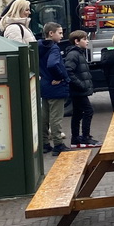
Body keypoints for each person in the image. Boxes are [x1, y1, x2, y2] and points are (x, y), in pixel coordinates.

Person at [38, 22, 70, 155]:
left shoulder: (38, 46)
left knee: (44, 116)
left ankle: (45, 143)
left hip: (44, 84)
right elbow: (53, 64)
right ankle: (58, 144)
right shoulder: (54, 48)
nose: (62, 36)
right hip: (55, 86)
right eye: (60, 33)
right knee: (55, 117)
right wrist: (61, 77)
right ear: (51, 34)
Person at [64, 30, 98, 148]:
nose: (87, 41)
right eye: (84, 39)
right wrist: (81, 85)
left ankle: (75, 139)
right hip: (78, 90)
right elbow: (69, 71)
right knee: (88, 111)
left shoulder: (78, 53)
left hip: (77, 89)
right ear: (76, 41)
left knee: (78, 113)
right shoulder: (74, 54)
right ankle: (85, 137)